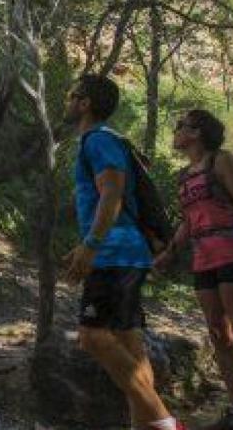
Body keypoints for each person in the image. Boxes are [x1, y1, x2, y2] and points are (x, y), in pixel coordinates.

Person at [61, 74, 185, 430]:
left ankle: (164, 423)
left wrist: (91, 244)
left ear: (85, 103)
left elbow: (112, 193)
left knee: (92, 337)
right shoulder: (100, 141)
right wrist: (85, 243)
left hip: (115, 253)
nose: (67, 101)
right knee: (130, 344)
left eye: (72, 95)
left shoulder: (97, 141)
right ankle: (143, 426)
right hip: (125, 252)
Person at [155, 109, 233, 430]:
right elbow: (189, 220)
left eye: (180, 126)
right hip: (203, 259)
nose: (175, 131)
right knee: (219, 334)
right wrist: (170, 252)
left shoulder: (222, 162)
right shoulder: (185, 176)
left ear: (197, 132)